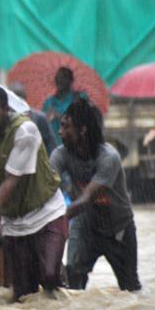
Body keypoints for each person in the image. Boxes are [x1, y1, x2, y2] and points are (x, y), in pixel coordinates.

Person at [0, 85, 67, 301]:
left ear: (5, 111)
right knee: (23, 296)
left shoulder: (25, 131)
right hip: (13, 222)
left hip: (46, 212)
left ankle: (60, 279)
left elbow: (10, 181)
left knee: (49, 277)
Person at [50, 98, 141, 291]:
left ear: (82, 130)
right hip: (86, 225)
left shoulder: (108, 157)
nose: (60, 132)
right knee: (73, 281)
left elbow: (86, 199)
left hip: (119, 229)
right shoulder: (61, 154)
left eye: (66, 127)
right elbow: (47, 187)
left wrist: (56, 219)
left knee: (130, 288)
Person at [42, 66, 87, 147]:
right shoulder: (49, 102)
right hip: (53, 147)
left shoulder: (78, 98)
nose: (60, 80)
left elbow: (83, 121)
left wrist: (60, 116)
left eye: (63, 77)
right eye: (57, 77)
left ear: (71, 80)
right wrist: (46, 118)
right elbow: (44, 125)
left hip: (74, 146)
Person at [10, 82, 58, 155]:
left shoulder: (39, 118)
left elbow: (50, 145)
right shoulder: (5, 120)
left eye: (20, 98)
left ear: (25, 98)